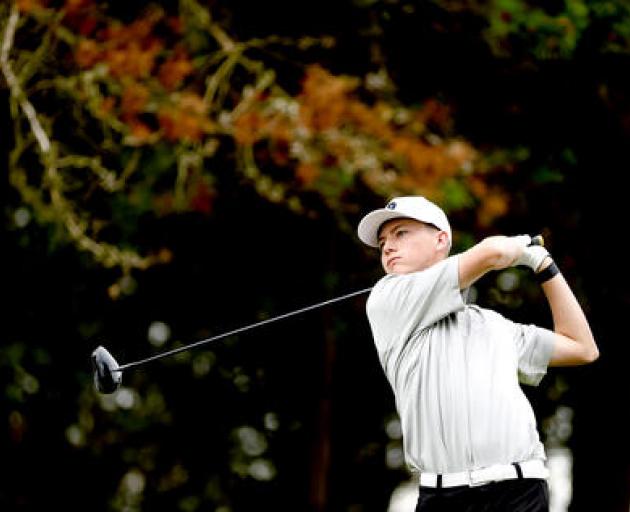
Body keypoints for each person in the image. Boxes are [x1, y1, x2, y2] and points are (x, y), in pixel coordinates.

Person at [356, 196, 599, 511]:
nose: (387, 246)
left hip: (520, 489)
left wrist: (544, 266)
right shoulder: (387, 299)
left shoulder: (494, 326)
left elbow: (582, 348)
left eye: (400, 233)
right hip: (443, 497)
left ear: (441, 240)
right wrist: (516, 250)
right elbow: (494, 252)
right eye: (382, 241)